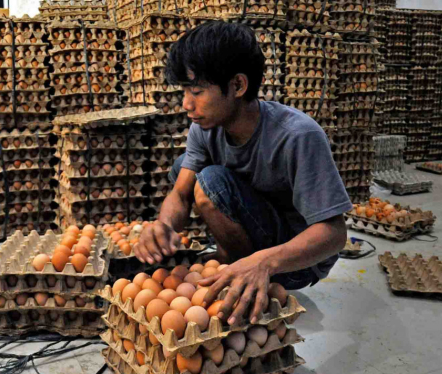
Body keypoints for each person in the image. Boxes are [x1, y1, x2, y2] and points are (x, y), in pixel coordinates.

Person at [135, 21, 351, 326]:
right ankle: (235, 265)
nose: (186, 104)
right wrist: (164, 225)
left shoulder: (297, 136)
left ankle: (246, 270)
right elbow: (180, 194)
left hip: (296, 260)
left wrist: (263, 262)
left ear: (238, 85)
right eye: (184, 91)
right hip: (258, 229)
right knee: (185, 167)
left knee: (210, 181)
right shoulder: (203, 128)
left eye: (196, 91)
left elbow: (334, 234)